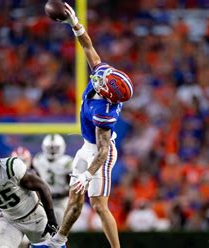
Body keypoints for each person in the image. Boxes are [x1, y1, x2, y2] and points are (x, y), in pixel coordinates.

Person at [40, 3, 133, 248]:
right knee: (75, 198)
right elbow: (88, 46)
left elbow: (102, 151)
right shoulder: (104, 80)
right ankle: (59, 240)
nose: (99, 74)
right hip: (87, 146)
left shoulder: (105, 112)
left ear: (107, 92)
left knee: (100, 206)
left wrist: (88, 174)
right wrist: (75, 23)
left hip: (101, 153)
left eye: (102, 79)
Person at [0, 142, 60, 248]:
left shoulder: (11, 167)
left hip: (34, 216)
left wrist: (51, 219)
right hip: (9, 220)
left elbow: (42, 187)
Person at [33, 134, 73, 224]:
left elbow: (72, 186)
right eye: (50, 148)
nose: (52, 151)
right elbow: (36, 181)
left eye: (55, 148)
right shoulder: (39, 159)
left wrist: (61, 194)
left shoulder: (67, 162)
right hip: (44, 199)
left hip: (61, 201)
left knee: (61, 230)